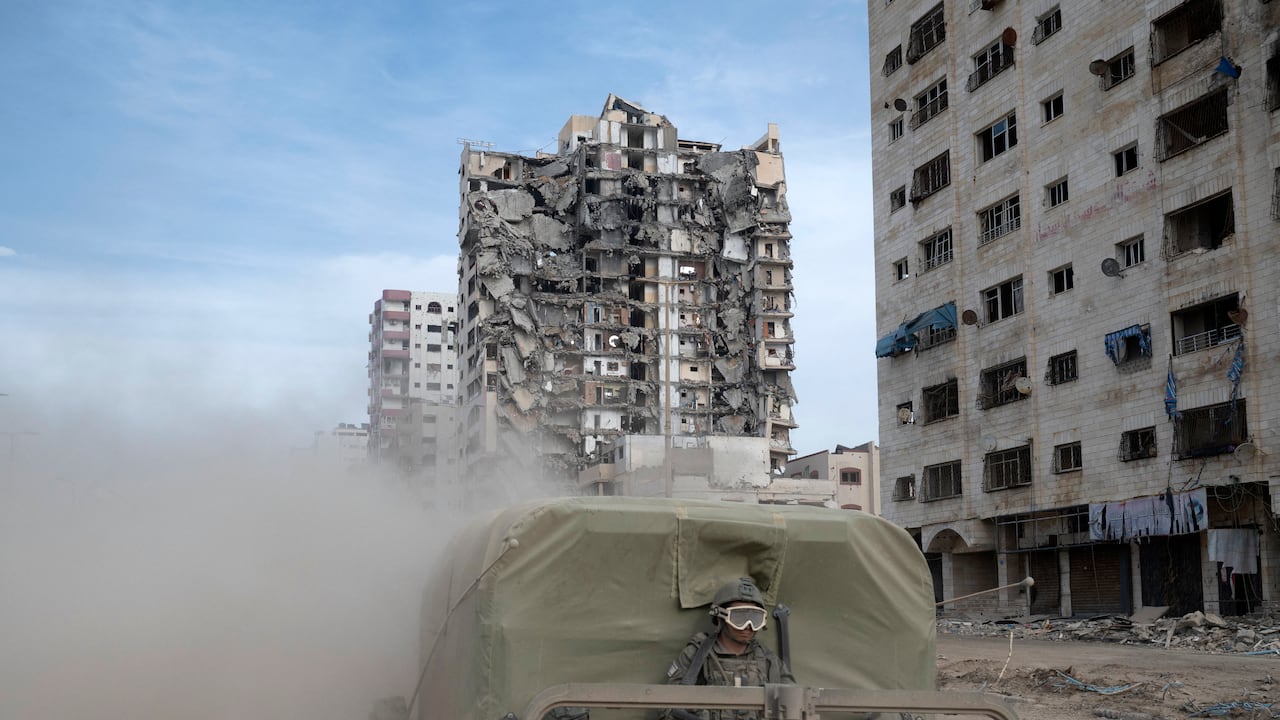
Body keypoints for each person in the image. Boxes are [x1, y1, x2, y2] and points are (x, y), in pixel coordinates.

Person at [662, 577, 795, 720]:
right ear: (720, 618)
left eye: (754, 619)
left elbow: (793, 705)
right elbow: (668, 709)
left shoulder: (769, 661)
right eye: (739, 618)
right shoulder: (696, 655)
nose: (748, 626)